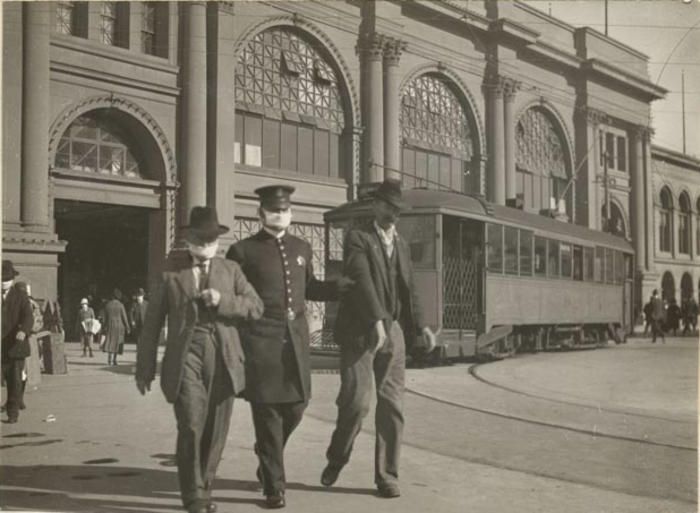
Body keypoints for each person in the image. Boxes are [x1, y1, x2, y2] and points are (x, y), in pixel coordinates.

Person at [226, 185, 352, 509]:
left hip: (295, 341)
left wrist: (339, 288)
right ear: (261, 213)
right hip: (261, 342)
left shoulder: (302, 247)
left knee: (297, 406)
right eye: (273, 210)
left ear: (291, 213)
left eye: (284, 210)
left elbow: (309, 288)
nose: (280, 215)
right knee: (267, 414)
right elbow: (234, 298)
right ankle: (274, 487)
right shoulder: (242, 251)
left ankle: (267, 454)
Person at [136, 206, 263, 513]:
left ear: (218, 242)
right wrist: (145, 368)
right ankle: (193, 496)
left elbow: (255, 306)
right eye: (200, 239)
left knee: (215, 430)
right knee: (192, 424)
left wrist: (224, 302)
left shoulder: (231, 271)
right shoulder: (171, 275)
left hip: (224, 357)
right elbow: (152, 324)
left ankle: (204, 487)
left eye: (211, 240)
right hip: (186, 356)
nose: (206, 245)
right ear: (189, 239)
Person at [321, 178, 436, 499]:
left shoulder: (400, 243)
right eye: (387, 207)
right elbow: (360, 278)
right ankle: (337, 456)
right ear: (375, 205)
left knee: (392, 405)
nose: (391, 215)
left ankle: (387, 476)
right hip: (361, 330)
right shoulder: (357, 237)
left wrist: (423, 325)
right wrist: (375, 320)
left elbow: (409, 288)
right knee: (356, 403)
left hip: (394, 330)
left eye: (397, 211)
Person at [1, 260, 33, 423]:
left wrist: (23, 330)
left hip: (14, 346)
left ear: (12, 280)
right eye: (1, 280)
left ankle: (12, 412)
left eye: (6, 280)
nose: (3, 283)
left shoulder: (20, 297)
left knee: (14, 381)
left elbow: (28, 317)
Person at [102, 289, 130, 365]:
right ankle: (114, 360)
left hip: (110, 326)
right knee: (117, 343)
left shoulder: (108, 305)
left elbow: (104, 318)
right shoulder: (121, 305)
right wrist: (127, 327)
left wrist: (104, 327)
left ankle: (109, 359)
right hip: (119, 326)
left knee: (110, 341)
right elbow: (124, 317)